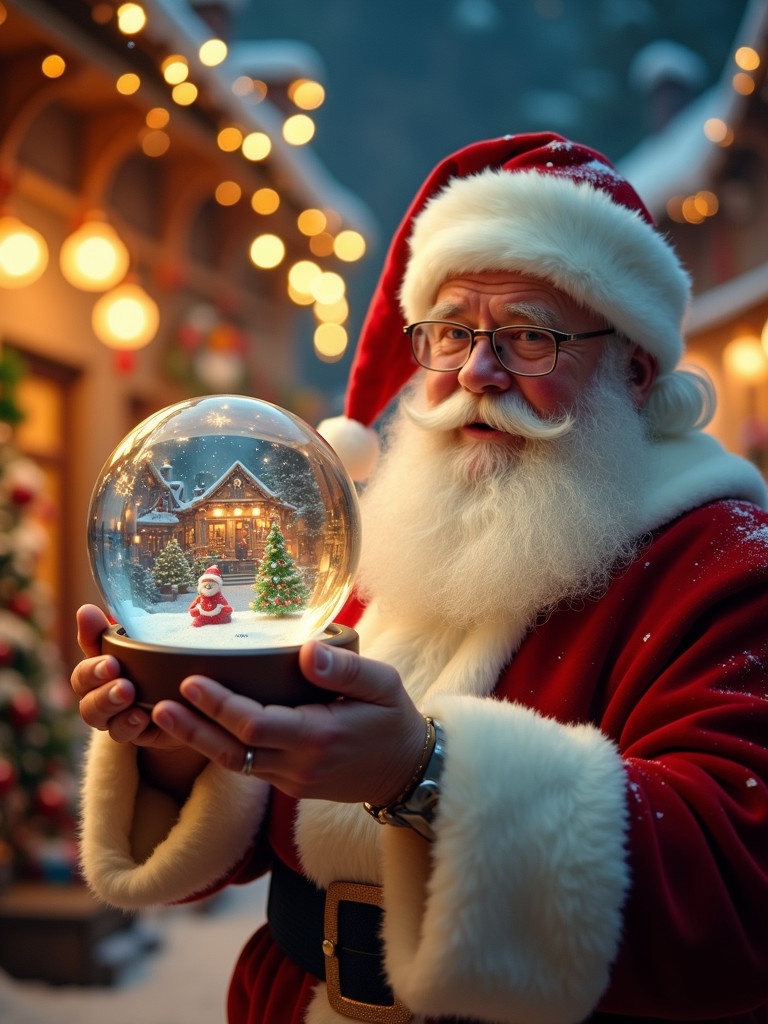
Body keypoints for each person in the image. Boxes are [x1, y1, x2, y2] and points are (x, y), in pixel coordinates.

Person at [71, 133, 768, 1024]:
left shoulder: (722, 565)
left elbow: (736, 890)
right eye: (449, 333)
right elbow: (260, 829)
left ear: (632, 370)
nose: (477, 372)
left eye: (528, 336)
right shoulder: (388, 538)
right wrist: (175, 730)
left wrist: (422, 773)